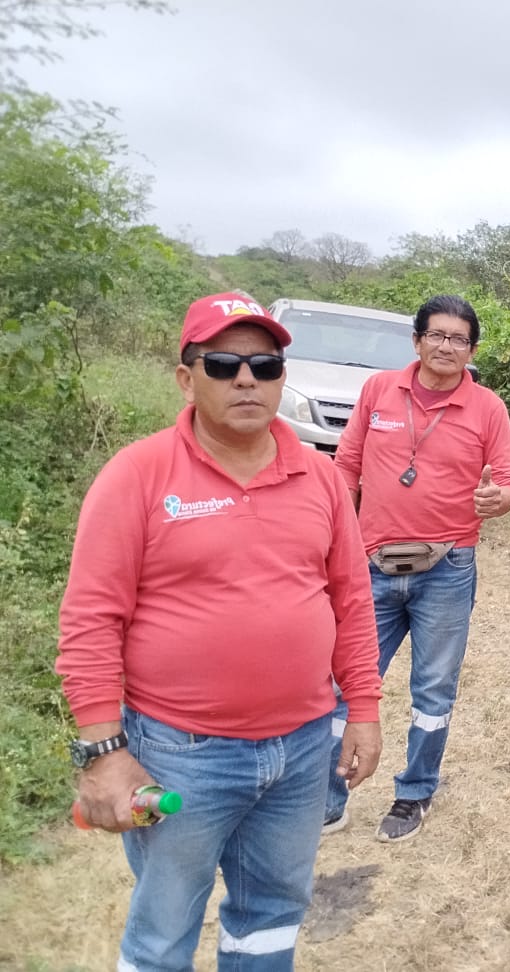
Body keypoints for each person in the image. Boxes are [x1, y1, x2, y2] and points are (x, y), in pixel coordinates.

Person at [56, 292, 383, 970]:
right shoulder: (138, 475)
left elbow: (351, 601)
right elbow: (90, 621)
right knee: (163, 930)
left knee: (271, 916)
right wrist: (104, 753)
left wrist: (364, 709)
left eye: (265, 366)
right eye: (225, 364)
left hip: (301, 752)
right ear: (187, 379)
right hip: (181, 753)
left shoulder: (321, 479)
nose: (246, 380)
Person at [330, 293, 510, 842]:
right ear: (416, 341)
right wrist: (337, 534)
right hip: (370, 564)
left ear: (472, 351)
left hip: (448, 567)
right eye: (436, 335)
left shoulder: (489, 408)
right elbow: (346, 465)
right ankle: (328, 795)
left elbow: (507, 482)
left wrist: (498, 499)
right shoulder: (377, 391)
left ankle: (413, 793)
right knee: (344, 682)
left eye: (459, 339)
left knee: (433, 690)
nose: (446, 346)